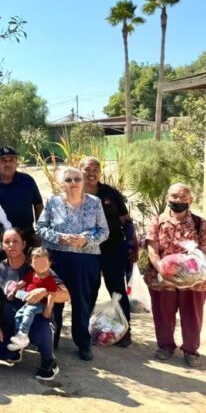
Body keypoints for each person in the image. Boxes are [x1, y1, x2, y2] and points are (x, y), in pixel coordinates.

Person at [36, 167, 109, 361]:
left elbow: (104, 231)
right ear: (62, 184)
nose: (73, 183)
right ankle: (51, 339)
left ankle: (83, 343)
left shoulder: (95, 203)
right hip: (57, 257)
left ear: (83, 182)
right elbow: (40, 228)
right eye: (68, 180)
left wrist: (87, 240)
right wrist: (59, 238)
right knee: (53, 299)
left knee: (82, 302)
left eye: (77, 179)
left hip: (86, 259)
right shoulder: (53, 202)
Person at [0, 228, 70, 381]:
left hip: (37, 319)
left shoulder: (38, 266)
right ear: (3, 246)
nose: (11, 245)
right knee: (1, 354)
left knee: (42, 327)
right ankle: (17, 349)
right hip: (10, 322)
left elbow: (65, 295)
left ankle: (49, 362)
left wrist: (45, 292)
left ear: (24, 244)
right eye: (7, 242)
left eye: (15, 241)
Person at [144, 183, 206, 368]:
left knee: (192, 315)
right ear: (167, 198)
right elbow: (152, 251)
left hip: (193, 281)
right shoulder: (157, 222)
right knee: (163, 314)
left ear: (190, 200)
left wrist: (191, 271)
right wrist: (162, 269)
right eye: (174, 196)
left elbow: (203, 251)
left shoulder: (199, 223)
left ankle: (191, 350)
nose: (178, 200)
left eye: (183, 197)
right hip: (163, 280)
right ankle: (165, 346)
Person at [80, 156, 133, 347]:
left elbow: (125, 219)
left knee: (117, 288)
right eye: (87, 169)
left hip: (112, 249)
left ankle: (124, 331)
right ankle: (84, 331)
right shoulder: (74, 192)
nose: (91, 173)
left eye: (96, 169)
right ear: (80, 170)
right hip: (86, 252)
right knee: (88, 291)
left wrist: (131, 245)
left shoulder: (109, 192)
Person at [5, 247, 59, 352]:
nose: (40, 266)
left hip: (40, 305)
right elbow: (22, 283)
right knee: (18, 315)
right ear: (31, 263)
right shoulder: (32, 274)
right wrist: (14, 290)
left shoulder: (50, 279)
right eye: (37, 263)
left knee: (29, 312)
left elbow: (52, 294)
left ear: (50, 263)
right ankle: (19, 338)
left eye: (43, 263)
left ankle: (23, 334)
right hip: (29, 302)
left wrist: (48, 308)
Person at [0, 146, 43, 244]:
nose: (8, 164)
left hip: (26, 237)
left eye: (12, 160)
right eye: (3, 160)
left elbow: (38, 206)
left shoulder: (27, 181)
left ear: (16, 163)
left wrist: (39, 232)